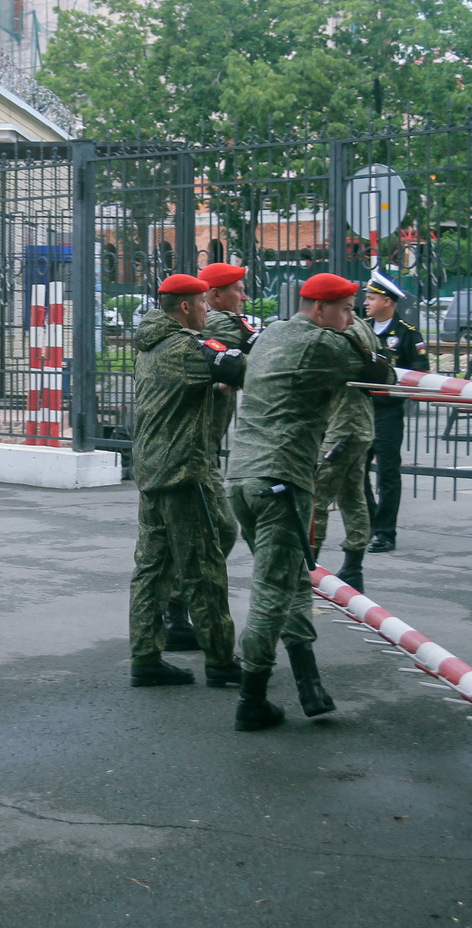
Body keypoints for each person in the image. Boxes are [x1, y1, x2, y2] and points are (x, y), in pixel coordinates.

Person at [225, 272, 395, 731]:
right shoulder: (325, 346)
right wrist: (360, 334)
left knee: (291, 582)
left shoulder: (275, 332)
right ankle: (252, 698)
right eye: (345, 310)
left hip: (242, 478)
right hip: (282, 481)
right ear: (320, 309)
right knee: (270, 591)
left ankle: (309, 683)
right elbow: (383, 373)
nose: (351, 318)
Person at [128, 273, 246, 690]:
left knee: (152, 566)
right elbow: (238, 367)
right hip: (182, 471)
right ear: (185, 307)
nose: (207, 310)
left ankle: (145, 657)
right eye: (203, 304)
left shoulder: (150, 343)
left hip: (151, 469)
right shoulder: (184, 348)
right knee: (204, 567)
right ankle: (221, 661)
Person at [158, 261, 260, 651]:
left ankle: (171, 616)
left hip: (198, 448)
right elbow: (254, 354)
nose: (245, 296)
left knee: (177, 534)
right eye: (237, 289)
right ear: (213, 297)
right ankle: (182, 612)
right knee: (221, 528)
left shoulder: (218, 325)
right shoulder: (217, 324)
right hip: (192, 450)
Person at [310, 309, 383, 592]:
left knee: (317, 494)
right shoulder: (363, 327)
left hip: (342, 428)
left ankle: (309, 564)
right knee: (353, 496)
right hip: (359, 425)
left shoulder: (341, 334)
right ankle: (354, 567)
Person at [363, 271, 430, 554]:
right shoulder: (360, 327)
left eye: (371, 298)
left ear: (387, 301)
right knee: (355, 471)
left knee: (388, 473)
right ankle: (369, 522)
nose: (365, 303)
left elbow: (421, 371)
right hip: (360, 408)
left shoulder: (406, 332)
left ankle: (385, 533)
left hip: (388, 411)